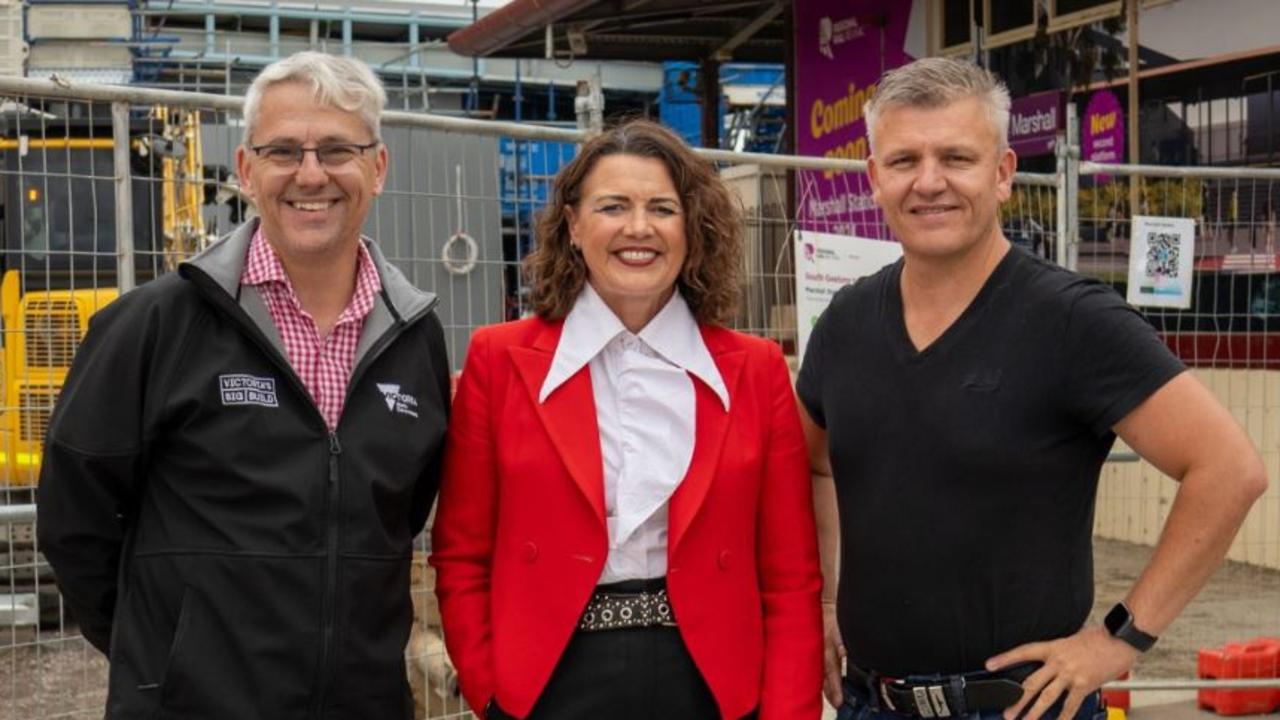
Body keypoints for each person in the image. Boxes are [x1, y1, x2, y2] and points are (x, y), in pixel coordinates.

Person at [797, 57, 1267, 720]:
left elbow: (1229, 470)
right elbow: (814, 462)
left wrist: (1119, 639)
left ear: (1003, 174)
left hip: (1023, 706)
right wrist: (820, 601)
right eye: (904, 161)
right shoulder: (843, 325)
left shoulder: (1072, 320)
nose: (929, 182)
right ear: (874, 178)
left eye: (956, 157)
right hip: (872, 702)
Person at [36, 51, 451, 719]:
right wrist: (166, 656)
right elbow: (75, 518)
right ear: (247, 171)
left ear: (378, 167)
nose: (311, 174)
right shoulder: (156, 324)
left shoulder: (414, 339)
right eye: (283, 150)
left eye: (337, 150)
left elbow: (400, 514)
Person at [431, 119, 823, 719]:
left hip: (713, 682)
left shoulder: (758, 370)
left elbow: (791, 576)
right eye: (613, 206)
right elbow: (461, 552)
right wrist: (490, 689)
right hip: (547, 680)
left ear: (691, 228)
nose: (638, 228)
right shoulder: (497, 360)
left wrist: (789, 713)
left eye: (662, 208)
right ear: (574, 225)